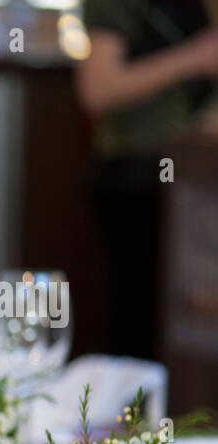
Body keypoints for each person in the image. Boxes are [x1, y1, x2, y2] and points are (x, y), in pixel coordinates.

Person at [75, 0, 218, 360]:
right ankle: (137, 415)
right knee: (139, 325)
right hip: (137, 179)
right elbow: (97, 89)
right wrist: (194, 58)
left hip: (196, 181)